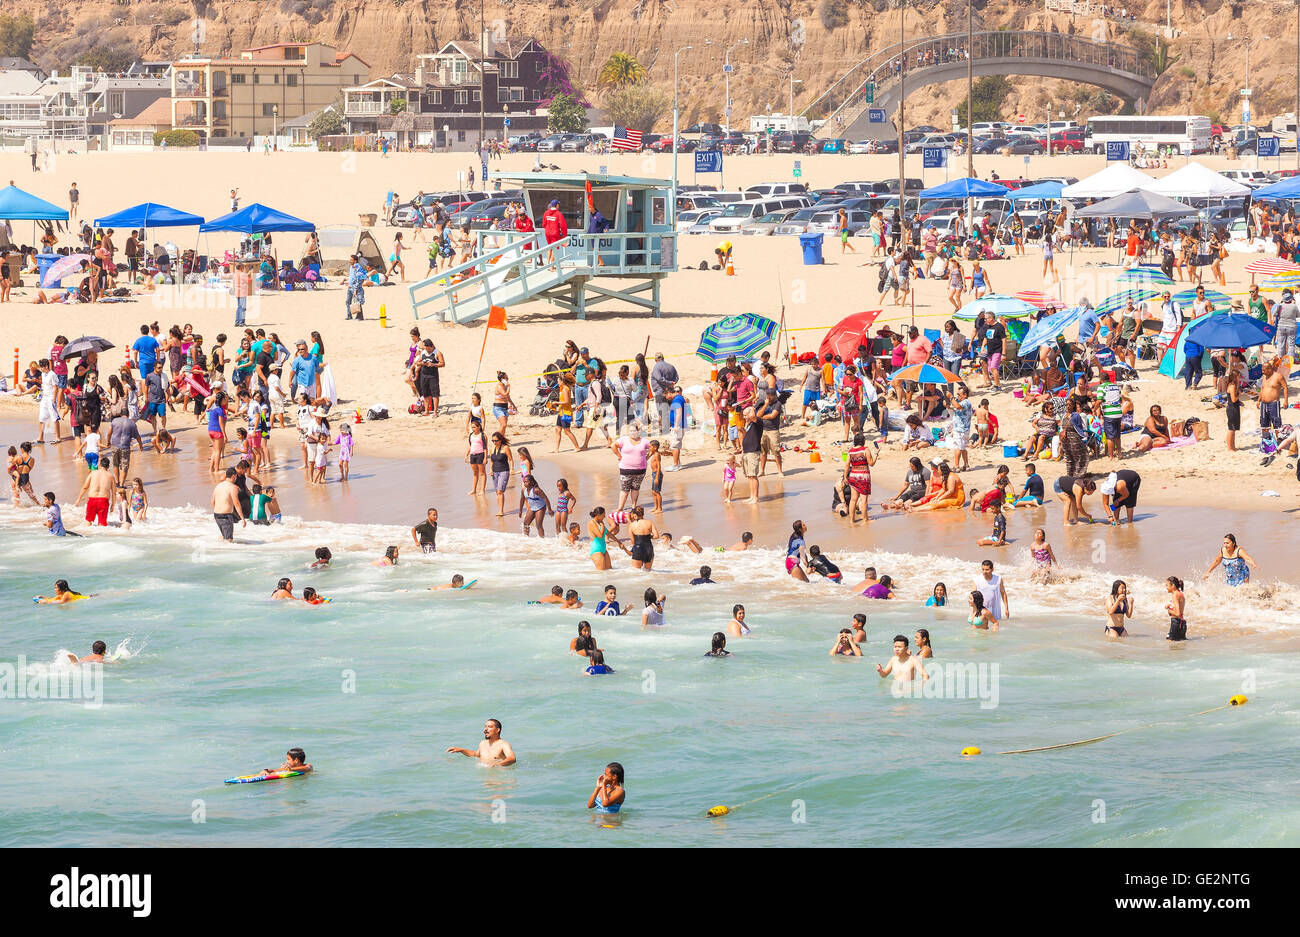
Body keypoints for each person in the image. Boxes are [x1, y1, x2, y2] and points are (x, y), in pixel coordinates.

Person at [446, 719, 517, 766]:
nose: (485, 729)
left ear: (497, 730)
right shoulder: (483, 743)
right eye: (485, 727)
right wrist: (461, 750)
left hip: (499, 777)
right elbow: (476, 754)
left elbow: (512, 758)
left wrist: (498, 764)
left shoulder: (503, 744)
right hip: (485, 777)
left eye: (489, 727)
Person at [1164, 576, 1188, 641]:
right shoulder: (1180, 594)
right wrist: (1169, 606)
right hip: (1182, 623)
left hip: (1176, 623)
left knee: (1169, 643)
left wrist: (1169, 611)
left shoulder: (1175, 595)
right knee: (1179, 646)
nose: (1166, 587)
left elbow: (1177, 614)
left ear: (1173, 586)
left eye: (1167, 585)